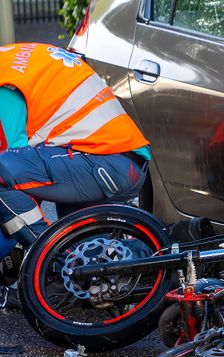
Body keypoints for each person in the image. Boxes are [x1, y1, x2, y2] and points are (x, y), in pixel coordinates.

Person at [0, 42, 151, 306]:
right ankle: (153, 255)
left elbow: (12, 170)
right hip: (115, 161)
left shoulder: (5, 87)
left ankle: (49, 261)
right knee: (95, 264)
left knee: (3, 171)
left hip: (103, 162)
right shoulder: (10, 62)